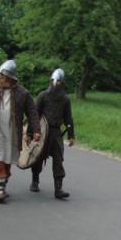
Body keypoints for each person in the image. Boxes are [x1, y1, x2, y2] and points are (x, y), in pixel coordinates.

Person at [0, 59, 40, 203]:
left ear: (10, 77)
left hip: (12, 134)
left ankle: (2, 185)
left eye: (2, 75)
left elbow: (32, 113)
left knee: (7, 162)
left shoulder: (23, 93)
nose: (0, 78)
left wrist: (35, 130)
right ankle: (0, 191)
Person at [29, 68, 75, 199]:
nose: (56, 83)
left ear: (62, 82)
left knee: (58, 159)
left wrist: (71, 135)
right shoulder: (43, 96)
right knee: (38, 157)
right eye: (54, 81)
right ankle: (35, 180)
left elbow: (68, 118)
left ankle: (58, 188)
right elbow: (35, 115)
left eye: (59, 81)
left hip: (56, 133)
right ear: (50, 81)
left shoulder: (65, 99)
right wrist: (30, 133)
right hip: (43, 131)